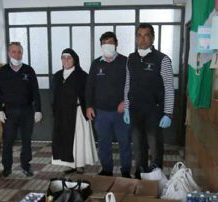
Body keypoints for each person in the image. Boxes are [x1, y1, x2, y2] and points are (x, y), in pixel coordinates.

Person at [124, 23, 174, 178]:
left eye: (146, 35)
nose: (142, 39)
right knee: (138, 147)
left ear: (152, 38)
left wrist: (168, 113)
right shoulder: (131, 59)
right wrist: (126, 107)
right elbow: (127, 83)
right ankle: (140, 174)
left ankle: (156, 176)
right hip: (135, 110)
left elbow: (169, 87)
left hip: (154, 111)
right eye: (139, 35)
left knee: (155, 146)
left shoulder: (162, 59)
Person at [86, 31, 131, 178]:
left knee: (124, 143)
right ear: (101, 45)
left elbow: (132, 85)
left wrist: (126, 102)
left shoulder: (125, 62)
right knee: (104, 143)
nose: (108, 45)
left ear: (116, 44)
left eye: (110, 42)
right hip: (101, 113)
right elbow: (89, 87)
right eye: (104, 43)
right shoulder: (96, 63)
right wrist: (89, 106)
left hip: (121, 113)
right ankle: (107, 170)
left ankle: (125, 171)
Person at [0, 41, 42, 178]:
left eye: (19, 51)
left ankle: (26, 166)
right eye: (14, 52)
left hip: (27, 111)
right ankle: (6, 168)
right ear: (9, 53)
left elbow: (35, 92)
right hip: (9, 112)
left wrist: (38, 110)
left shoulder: (29, 70)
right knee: (8, 140)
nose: (17, 54)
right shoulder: (2, 71)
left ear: (22, 53)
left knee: (26, 141)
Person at [51, 48, 96, 174]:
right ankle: (70, 164)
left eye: (69, 57)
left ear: (74, 59)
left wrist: (88, 107)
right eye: (63, 57)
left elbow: (88, 94)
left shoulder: (82, 76)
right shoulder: (57, 76)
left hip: (77, 113)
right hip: (62, 114)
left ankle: (80, 164)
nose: (66, 60)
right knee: (65, 139)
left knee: (79, 139)